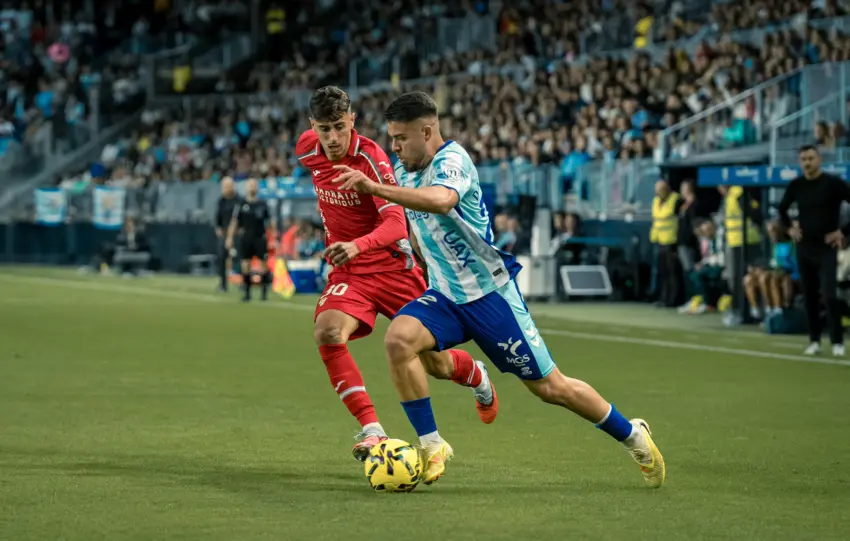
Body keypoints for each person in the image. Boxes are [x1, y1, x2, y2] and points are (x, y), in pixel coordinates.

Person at [335, 91, 666, 489]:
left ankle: (632, 435)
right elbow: (416, 224)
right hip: (445, 296)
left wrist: (376, 189)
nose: (395, 147)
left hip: (490, 297)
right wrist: (417, 256)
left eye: (401, 138)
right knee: (399, 340)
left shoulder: (453, 161)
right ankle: (432, 444)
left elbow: (440, 201)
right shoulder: (405, 171)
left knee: (550, 388)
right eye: (391, 138)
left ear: (427, 131)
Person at [296, 86, 498, 464]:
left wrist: (358, 244)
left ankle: (474, 374)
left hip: (393, 268)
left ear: (353, 119)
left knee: (433, 363)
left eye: (340, 126)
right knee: (326, 331)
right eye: (325, 129)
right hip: (350, 271)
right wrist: (348, 250)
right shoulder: (307, 149)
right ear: (313, 127)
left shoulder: (371, 159)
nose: (333, 138)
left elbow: (396, 223)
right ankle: (373, 430)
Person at [778, 145, 850, 356]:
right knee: (809, 295)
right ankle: (814, 340)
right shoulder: (796, 185)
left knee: (829, 295)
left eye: (810, 158)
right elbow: (782, 209)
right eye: (803, 159)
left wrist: (843, 232)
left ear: (819, 159)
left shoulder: (833, 183)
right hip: (804, 246)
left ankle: (837, 341)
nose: (807, 163)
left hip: (827, 246)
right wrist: (790, 228)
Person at [225, 179, 276, 302]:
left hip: (260, 237)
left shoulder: (262, 204)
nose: (252, 187)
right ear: (247, 187)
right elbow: (234, 222)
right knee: (245, 265)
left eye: (254, 185)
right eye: (250, 185)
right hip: (246, 238)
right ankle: (247, 293)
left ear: (257, 188)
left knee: (263, 265)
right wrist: (230, 238)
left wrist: (273, 238)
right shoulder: (241, 204)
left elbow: (270, 222)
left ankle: (264, 294)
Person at [743, 220, 799, 320]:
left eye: (774, 230)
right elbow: (767, 262)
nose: (771, 234)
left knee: (767, 277)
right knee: (748, 279)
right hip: (772, 271)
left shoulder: (791, 245)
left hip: (789, 274)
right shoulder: (770, 245)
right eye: (770, 231)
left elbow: (791, 265)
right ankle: (756, 310)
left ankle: (775, 309)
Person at [650, 180, 683, 307]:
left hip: (671, 240)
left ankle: (673, 299)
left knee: (672, 272)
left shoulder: (675, 200)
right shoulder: (656, 201)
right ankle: (663, 298)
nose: (658, 193)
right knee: (662, 271)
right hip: (658, 240)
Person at [214, 177, 240, 292]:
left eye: (227, 186)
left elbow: (238, 218)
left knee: (240, 258)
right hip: (224, 233)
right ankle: (223, 284)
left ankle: (243, 283)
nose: (224, 189)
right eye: (223, 186)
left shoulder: (238, 200)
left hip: (237, 233)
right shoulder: (221, 200)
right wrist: (218, 228)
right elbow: (217, 217)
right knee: (221, 258)